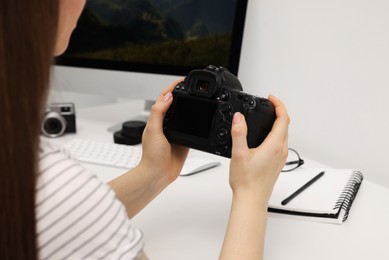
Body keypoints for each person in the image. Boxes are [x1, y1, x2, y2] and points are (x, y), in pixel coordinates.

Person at [0, 0, 290, 259]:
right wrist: (252, 194)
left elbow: (60, 220)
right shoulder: (49, 183)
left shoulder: (32, 182)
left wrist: (154, 173)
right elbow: (67, 205)